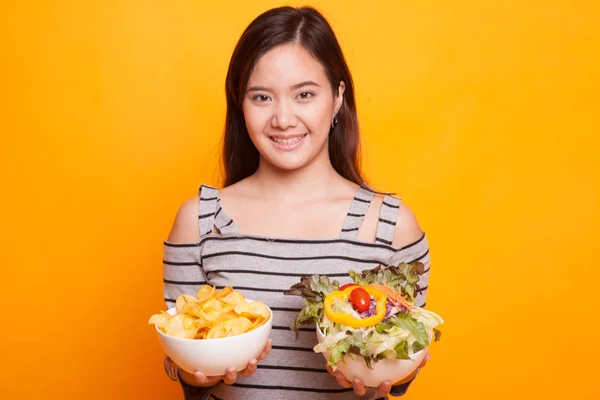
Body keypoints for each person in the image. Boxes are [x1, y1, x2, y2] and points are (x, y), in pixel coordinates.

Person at [162, 6, 431, 400]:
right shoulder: (199, 221)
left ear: (338, 97)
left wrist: (390, 372)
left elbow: (405, 365)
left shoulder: (391, 226)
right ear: (240, 103)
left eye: (304, 94)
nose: (283, 118)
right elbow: (184, 360)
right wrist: (194, 376)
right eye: (262, 97)